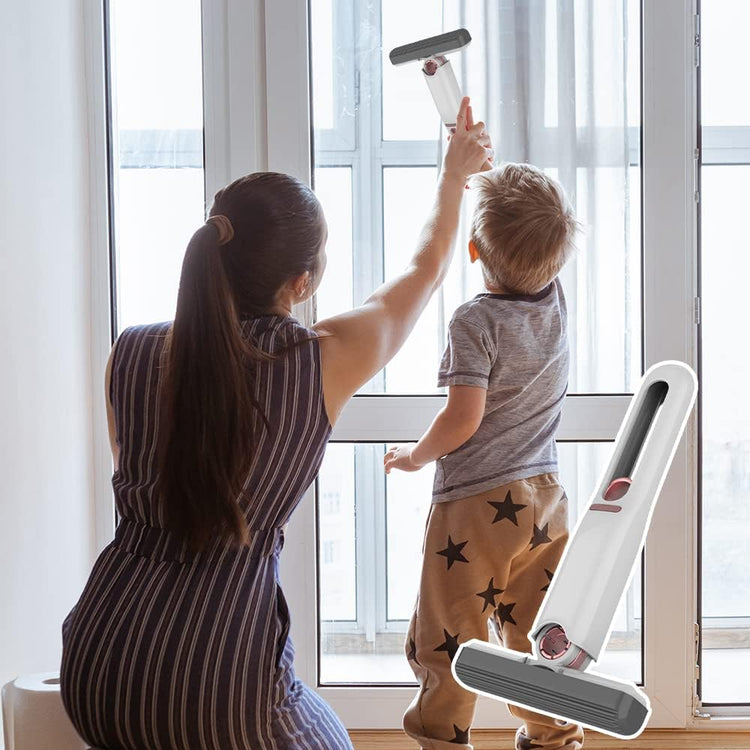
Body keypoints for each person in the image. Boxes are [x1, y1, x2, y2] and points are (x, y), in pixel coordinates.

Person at [59, 97, 491, 750]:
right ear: (301, 281)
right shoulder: (319, 359)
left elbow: (147, 478)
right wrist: (455, 175)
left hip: (98, 666)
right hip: (220, 687)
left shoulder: (132, 350)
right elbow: (424, 271)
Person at [384, 162, 582, 750]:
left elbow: (462, 419)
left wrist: (417, 456)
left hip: (477, 506)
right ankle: (554, 738)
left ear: (473, 249)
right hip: (545, 500)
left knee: (452, 636)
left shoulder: (474, 320)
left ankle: (443, 739)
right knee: (539, 634)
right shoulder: (555, 303)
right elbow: (533, 232)